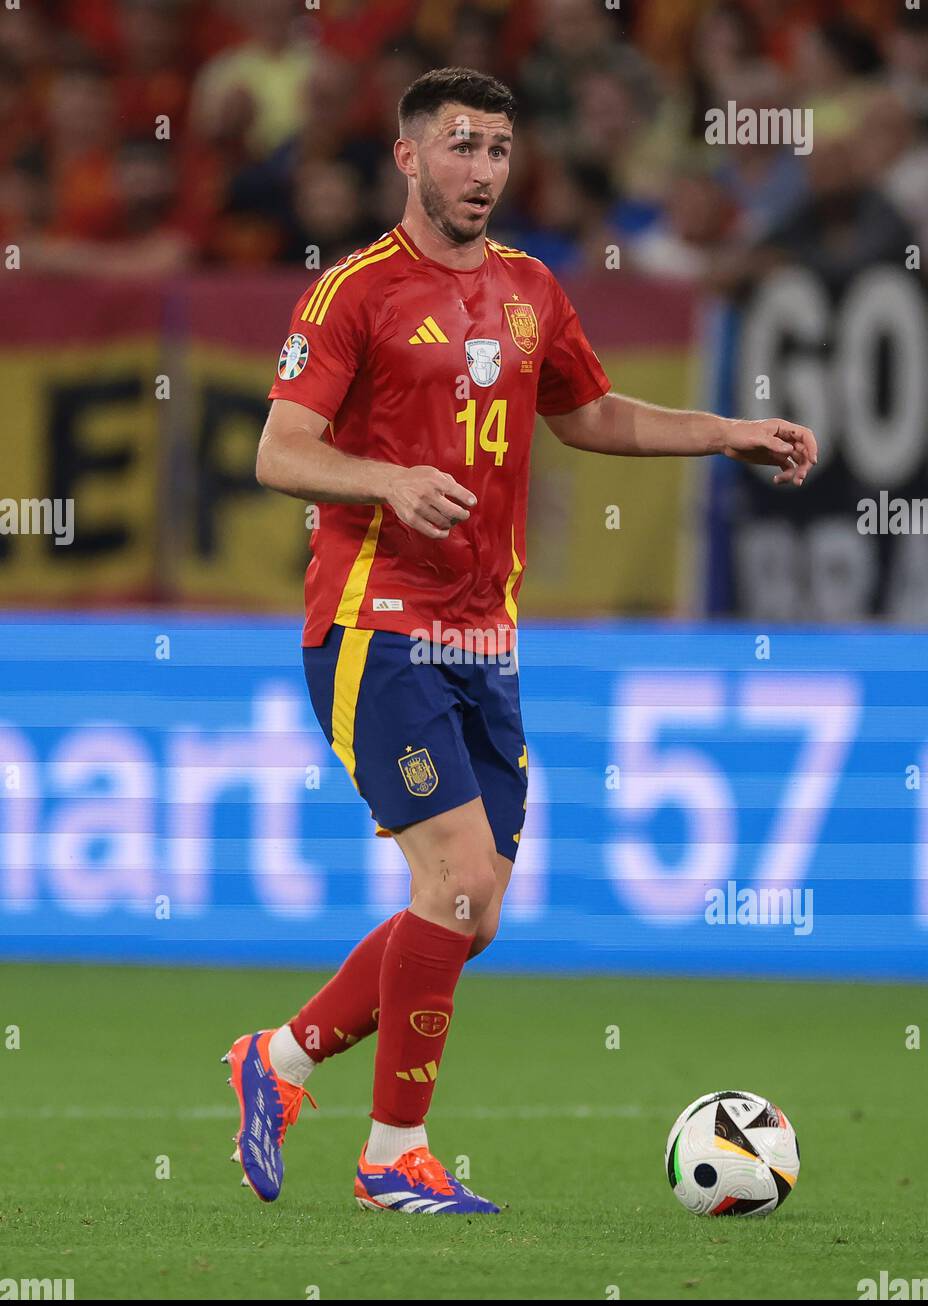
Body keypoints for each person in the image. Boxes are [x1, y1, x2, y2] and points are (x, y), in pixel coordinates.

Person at [223, 66, 817, 1216]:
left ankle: (280, 1060)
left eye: (497, 150)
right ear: (407, 157)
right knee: (449, 880)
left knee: (474, 908)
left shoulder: (531, 286)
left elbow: (589, 411)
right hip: (373, 625)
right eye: (459, 147)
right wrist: (391, 480)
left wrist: (723, 432)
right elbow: (279, 449)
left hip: (484, 639)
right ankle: (393, 1154)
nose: (482, 171)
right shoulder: (354, 292)